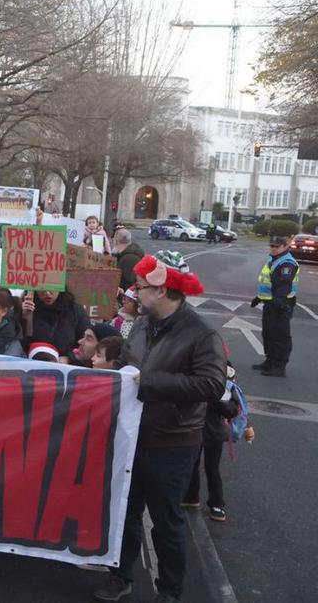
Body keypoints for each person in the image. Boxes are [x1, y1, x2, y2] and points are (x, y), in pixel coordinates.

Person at [92, 250, 225, 603]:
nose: (134, 293)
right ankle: (120, 576)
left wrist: (149, 382)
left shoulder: (201, 334)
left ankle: (169, 590)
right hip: (132, 434)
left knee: (167, 523)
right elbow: (126, 361)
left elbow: (212, 386)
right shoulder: (143, 323)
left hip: (173, 442)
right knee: (125, 510)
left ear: (161, 290)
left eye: (139, 287)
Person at [183, 362, 240, 523]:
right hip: (196, 428)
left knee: (212, 467)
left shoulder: (224, 380)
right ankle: (191, 496)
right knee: (192, 464)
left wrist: (215, 397)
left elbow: (232, 409)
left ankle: (217, 503)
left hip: (213, 432)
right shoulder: (193, 372)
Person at [250, 235, 299, 377]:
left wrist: (279, 302)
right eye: (272, 246)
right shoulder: (274, 260)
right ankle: (270, 360)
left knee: (280, 336)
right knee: (268, 334)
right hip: (270, 303)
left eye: (276, 246)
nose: (273, 248)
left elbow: (283, 285)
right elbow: (269, 283)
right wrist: (259, 298)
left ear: (285, 247)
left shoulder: (287, 263)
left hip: (281, 305)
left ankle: (279, 366)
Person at [22, 289, 89, 362]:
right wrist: (22, 318)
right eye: (42, 289)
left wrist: (70, 358)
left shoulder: (75, 311)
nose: (47, 293)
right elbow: (16, 342)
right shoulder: (25, 310)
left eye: (52, 288)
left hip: (65, 367)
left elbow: (87, 342)